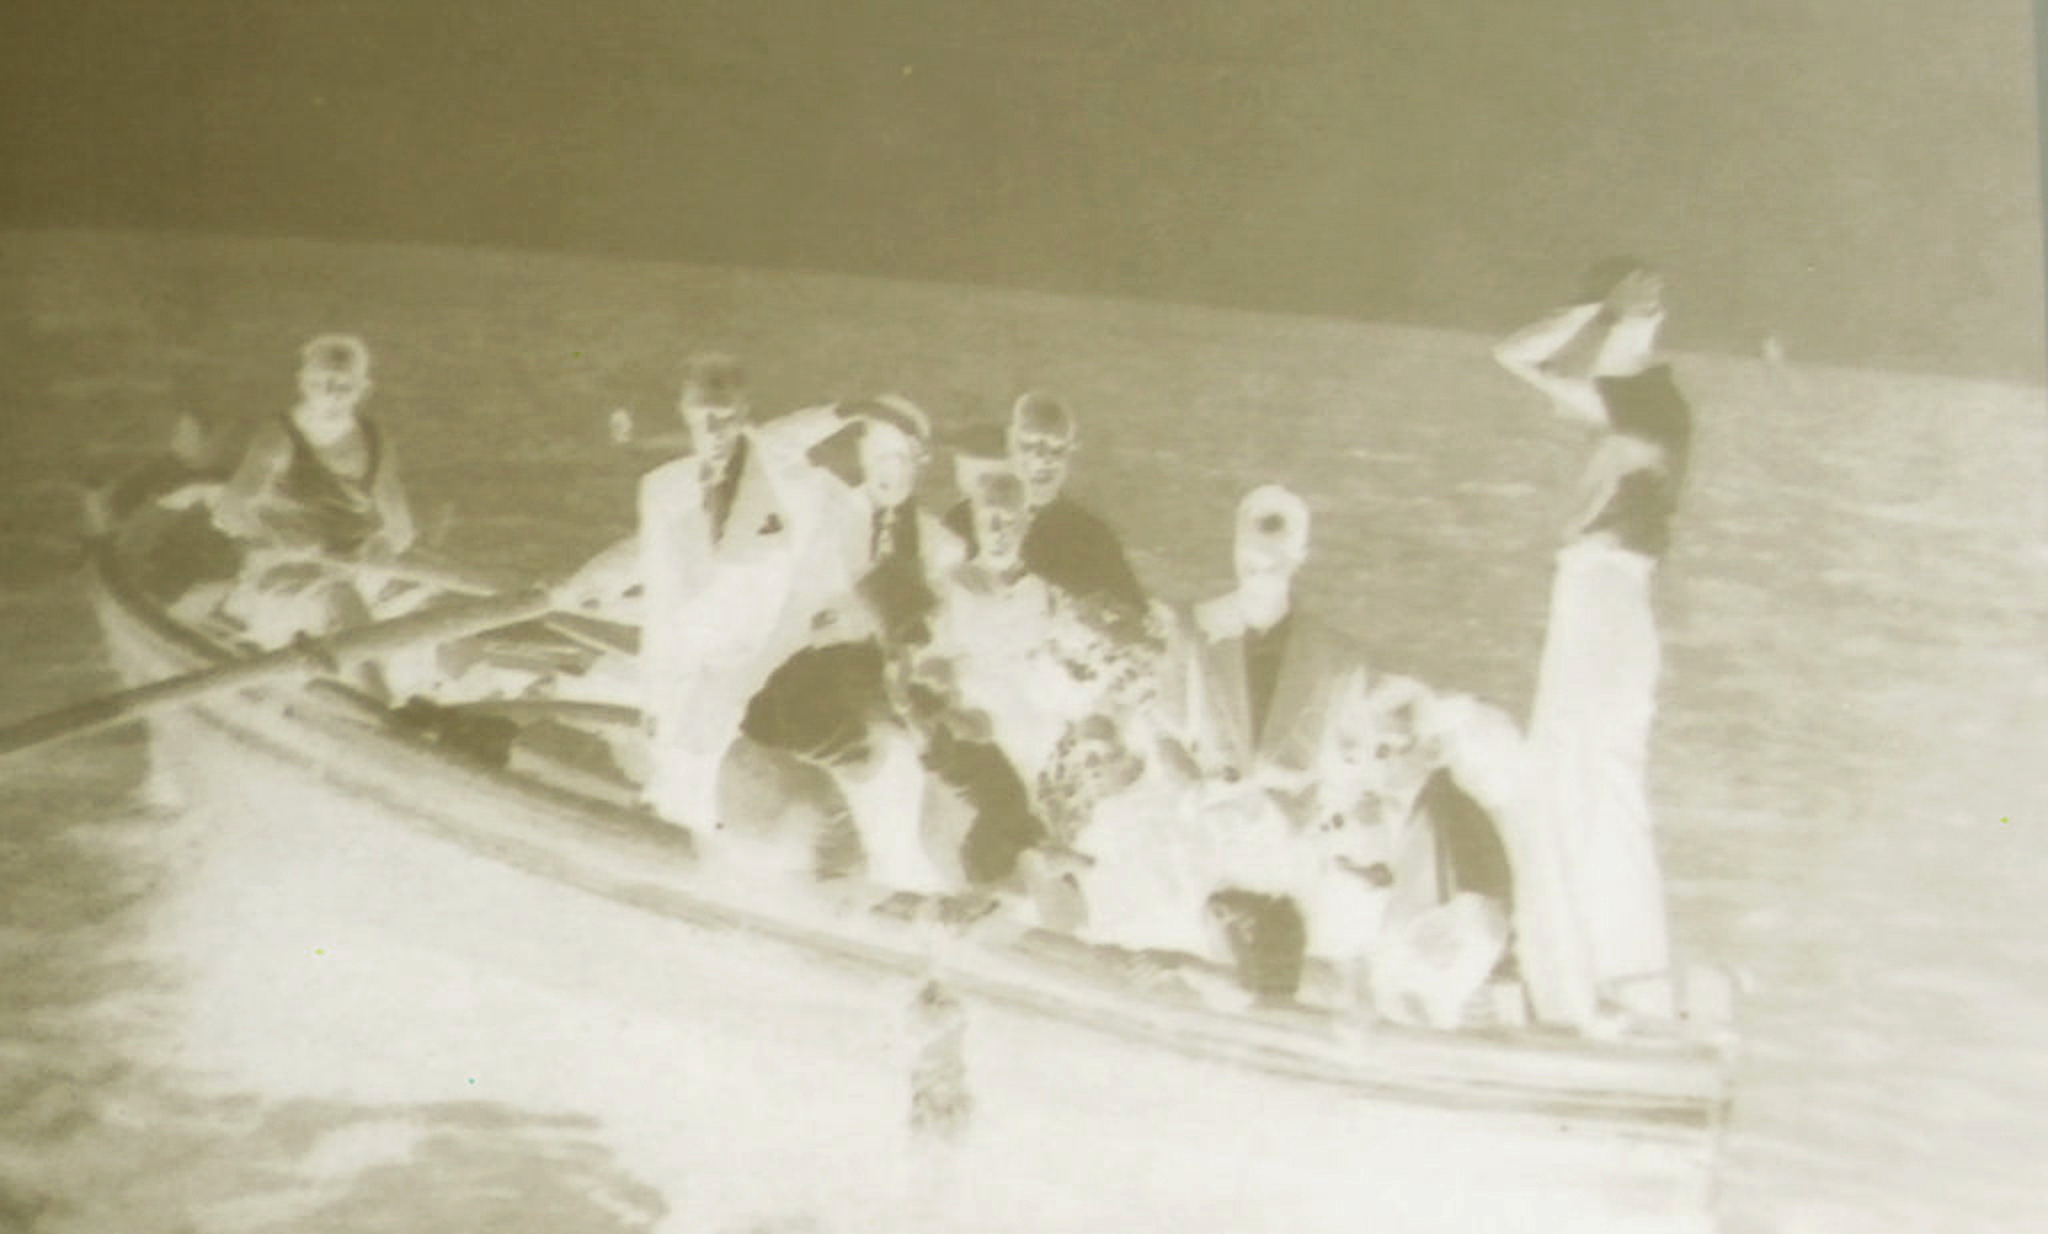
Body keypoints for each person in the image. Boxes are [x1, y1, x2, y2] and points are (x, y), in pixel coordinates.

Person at [1494, 260, 1693, 1030]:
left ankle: (1627, 982)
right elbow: (1521, 357)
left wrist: (1597, 308)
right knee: (1574, 776)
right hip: (1595, 598)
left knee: (1594, 780)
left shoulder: (1646, 400)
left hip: (1607, 597)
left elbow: (1513, 356)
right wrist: (1592, 305)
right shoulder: (1632, 400)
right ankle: (1586, 973)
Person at [209, 334, 418, 649]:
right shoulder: (278, 437)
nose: (331, 393)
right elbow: (229, 511)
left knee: (415, 604)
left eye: (344, 385)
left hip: (352, 568)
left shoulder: (375, 440)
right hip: (285, 571)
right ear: (303, 384)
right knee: (341, 602)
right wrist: (276, 536)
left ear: (364, 389)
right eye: (321, 382)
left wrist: (385, 542)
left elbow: (401, 527)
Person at [942, 393, 1147, 621]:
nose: (1041, 460)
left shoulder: (1093, 537)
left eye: (1055, 449)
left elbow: (1136, 619)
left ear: (1071, 451)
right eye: (1029, 445)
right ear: (1011, 442)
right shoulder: (962, 521)